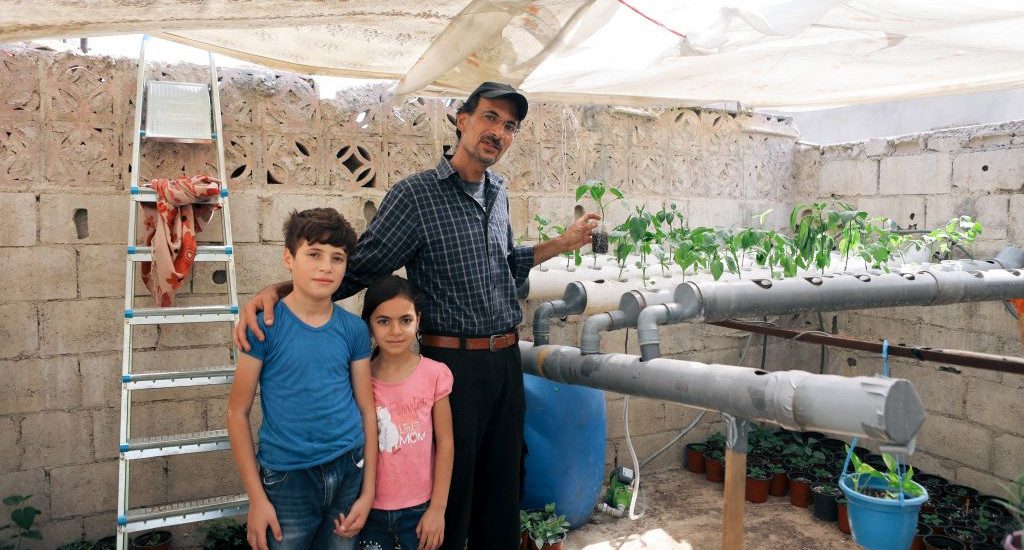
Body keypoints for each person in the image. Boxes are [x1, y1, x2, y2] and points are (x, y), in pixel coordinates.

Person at [234, 82, 598, 549]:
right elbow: (360, 265)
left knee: (505, 486)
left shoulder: (498, 192)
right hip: (453, 367)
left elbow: (507, 262)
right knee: (454, 493)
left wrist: (561, 244)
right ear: (461, 119)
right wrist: (280, 289)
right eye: (489, 117)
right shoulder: (416, 196)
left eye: (509, 126)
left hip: (505, 360)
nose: (498, 132)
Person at [226, 207, 378, 550]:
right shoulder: (264, 327)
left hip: (349, 468)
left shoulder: (353, 329)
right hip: (287, 478)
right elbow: (237, 413)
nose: (326, 266)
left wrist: (368, 492)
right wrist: (256, 499)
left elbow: (367, 410)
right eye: (314, 254)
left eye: (337, 258)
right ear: (288, 258)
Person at [338, 275, 454, 550]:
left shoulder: (435, 374)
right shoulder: (358, 378)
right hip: (369, 509)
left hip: (420, 509)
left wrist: (437, 509)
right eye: (383, 321)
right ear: (369, 324)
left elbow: (446, 442)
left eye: (405, 320)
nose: (395, 330)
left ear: (418, 320)